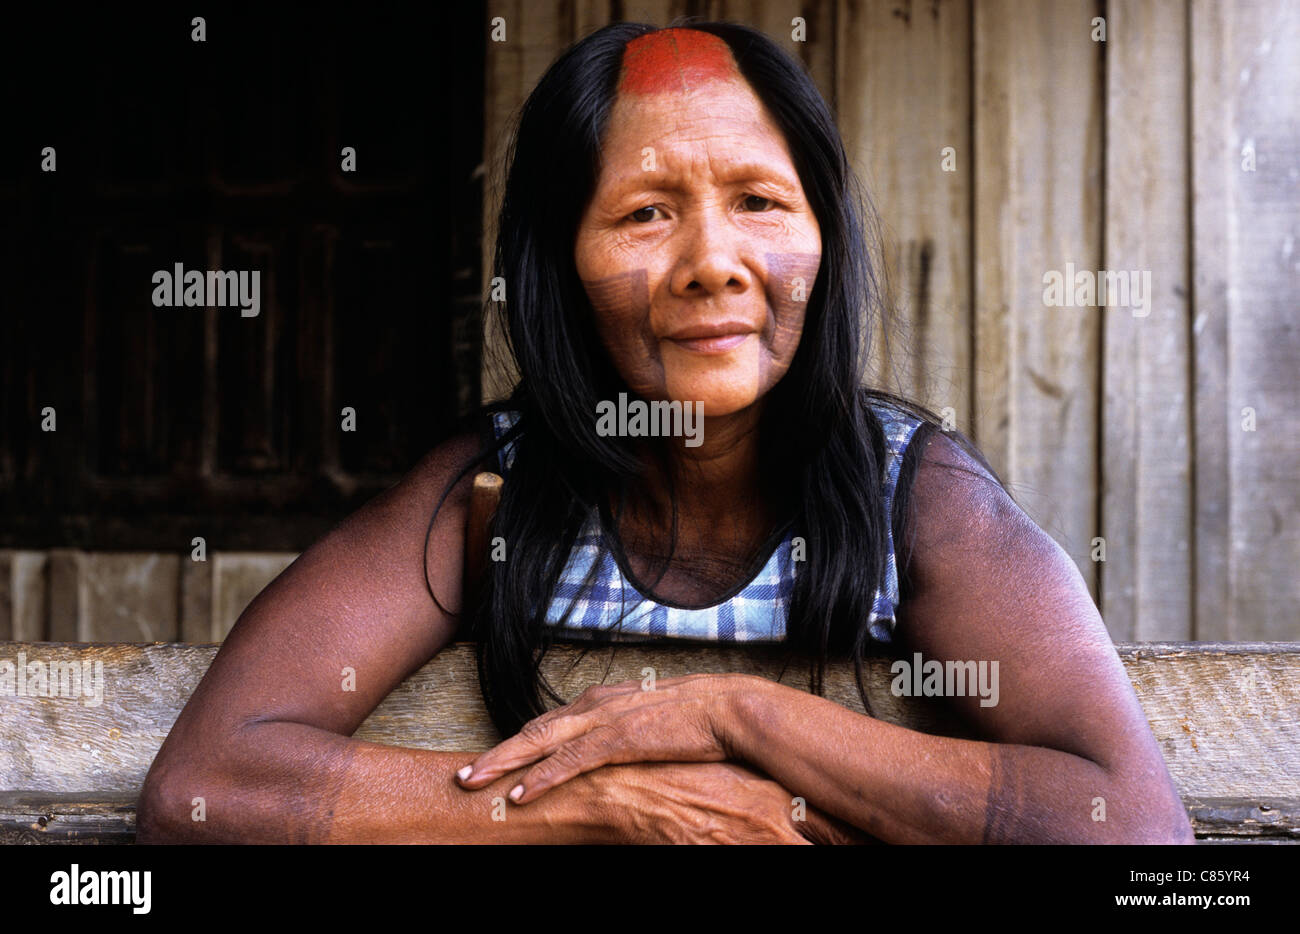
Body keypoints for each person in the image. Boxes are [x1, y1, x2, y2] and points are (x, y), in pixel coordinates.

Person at [136, 21, 1194, 844]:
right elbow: (206, 787)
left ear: (819, 236)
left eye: (759, 202)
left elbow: (1134, 826)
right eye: (646, 212)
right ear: (559, 263)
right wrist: (612, 806)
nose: (713, 261)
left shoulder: (910, 496)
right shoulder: (491, 492)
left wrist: (736, 715)